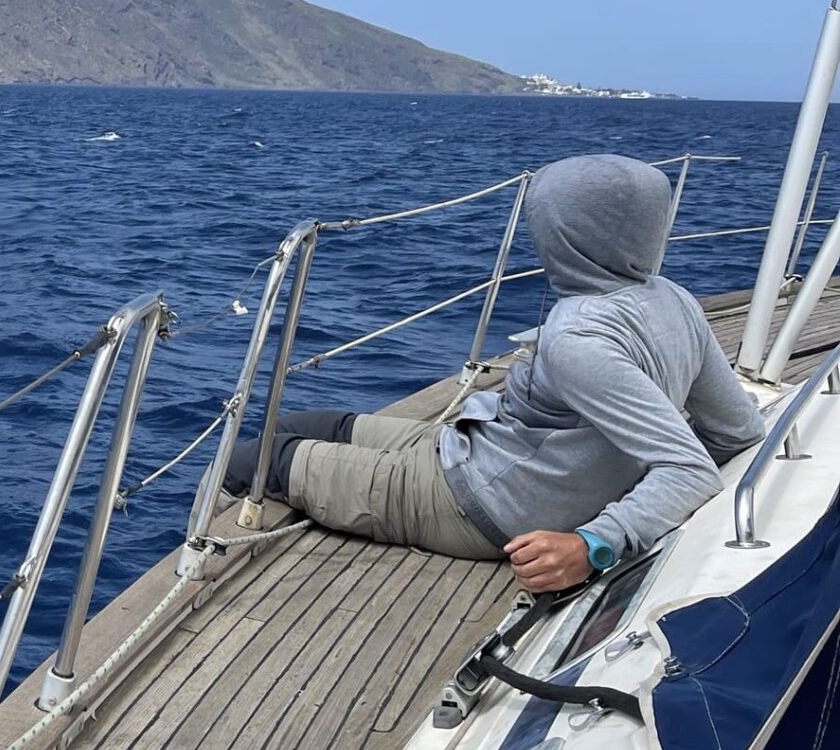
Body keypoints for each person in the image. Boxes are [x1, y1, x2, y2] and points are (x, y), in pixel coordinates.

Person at [223, 153, 767, 593]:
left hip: (474, 505)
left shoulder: (579, 338)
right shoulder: (673, 299)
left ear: (567, 233)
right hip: (482, 449)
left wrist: (594, 540)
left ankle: (204, 570)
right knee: (313, 422)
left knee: (247, 461)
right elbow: (736, 430)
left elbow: (688, 467)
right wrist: (606, 468)